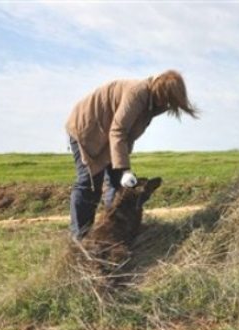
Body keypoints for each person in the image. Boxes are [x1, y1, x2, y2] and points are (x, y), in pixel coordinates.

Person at [66, 70, 199, 239]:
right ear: (162, 94)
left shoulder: (153, 105)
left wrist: (122, 170)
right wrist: (125, 169)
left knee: (118, 186)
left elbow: (128, 135)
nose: (168, 107)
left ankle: (112, 234)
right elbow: (118, 131)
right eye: (169, 102)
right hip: (88, 130)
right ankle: (80, 240)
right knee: (90, 184)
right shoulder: (138, 94)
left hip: (110, 137)